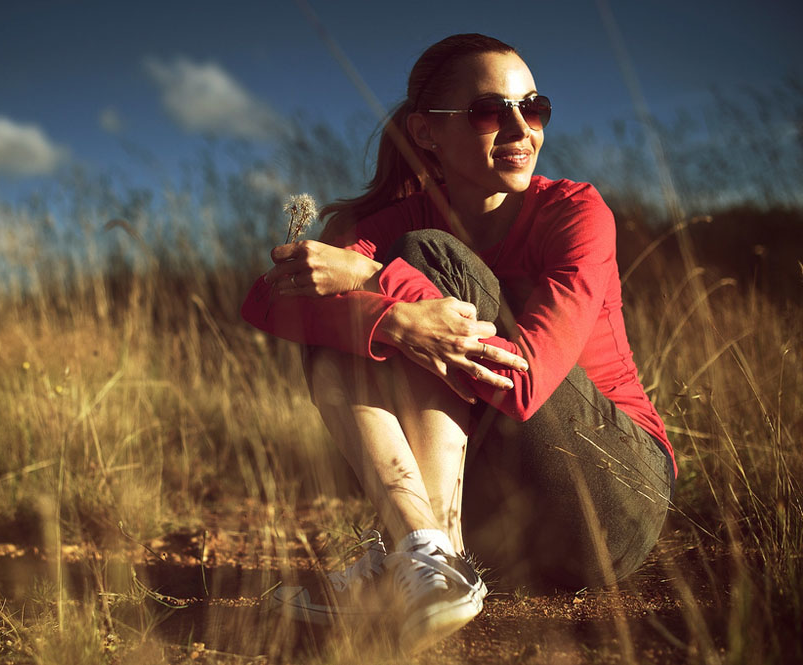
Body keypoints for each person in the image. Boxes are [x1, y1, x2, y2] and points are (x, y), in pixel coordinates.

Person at [241, 33, 675, 654]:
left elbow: (522, 385)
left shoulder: (576, 213)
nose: (520, 128)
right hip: (501, 526)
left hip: (614, 501)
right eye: (490, 111)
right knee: (347, 313)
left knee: (415, 262)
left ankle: (424, 556)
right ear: (426, 134)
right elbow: (265, 298)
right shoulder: (393, 220)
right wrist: (389, 321)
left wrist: (374, 279)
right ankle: (430, 557)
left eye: (535, 106)